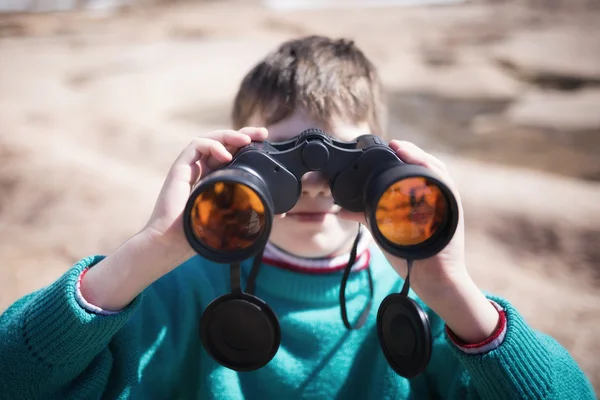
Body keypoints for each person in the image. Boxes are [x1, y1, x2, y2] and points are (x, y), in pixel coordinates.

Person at [0, 35, 595, 400]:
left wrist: (455, 292)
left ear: (385, 158)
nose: (312, 184)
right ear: (236, 157)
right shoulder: (170, 296)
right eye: (274, 156)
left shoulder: (429, 309)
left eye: (346, 158)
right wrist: (150, 251)